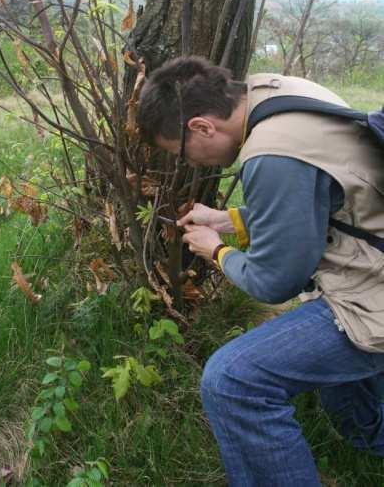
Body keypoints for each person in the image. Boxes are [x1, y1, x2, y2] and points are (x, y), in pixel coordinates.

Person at [137, 56, 384, 487]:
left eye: (182, 153)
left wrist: (217, 252)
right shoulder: (279, 94)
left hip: (372, 292)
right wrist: (230, 221)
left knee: (233, 381)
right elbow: (319, 197)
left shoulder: (270, 155)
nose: (191, 164)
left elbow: (274, 281)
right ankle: (371, 442)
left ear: (201, 127)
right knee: (335, 384)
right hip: (370, 256)